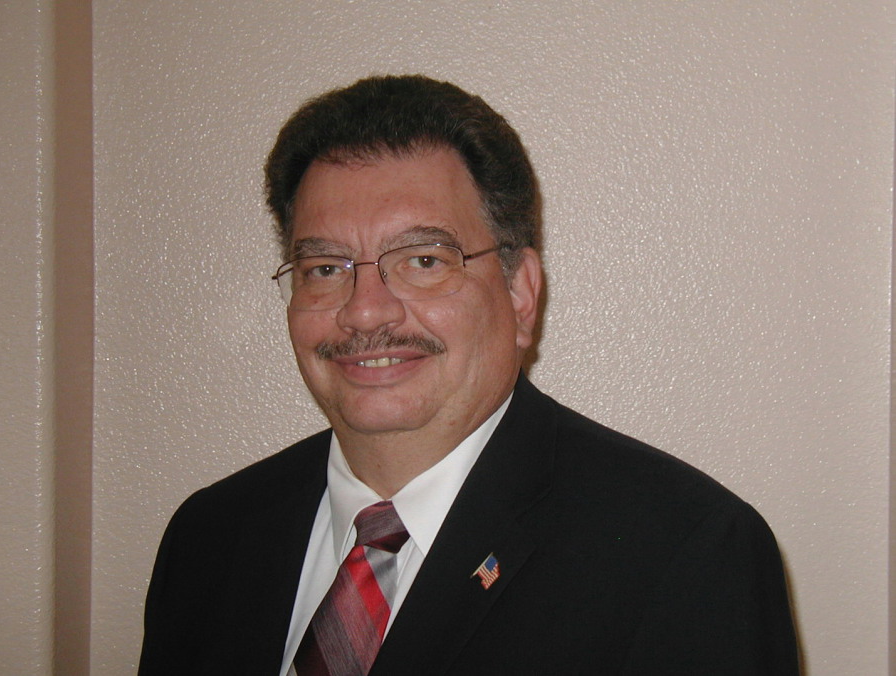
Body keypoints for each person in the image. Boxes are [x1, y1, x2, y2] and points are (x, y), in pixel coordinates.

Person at [139, 74, 799, 675]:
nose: (364, 310)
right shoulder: (209, 539)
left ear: (520, 294)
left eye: (424, 260)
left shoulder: (685, 555)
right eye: (325, 268)